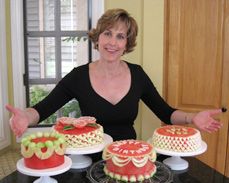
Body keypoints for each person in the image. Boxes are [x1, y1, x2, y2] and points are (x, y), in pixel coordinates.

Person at [6, 8, 222, 140]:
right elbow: (43, 109)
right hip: (87, 159)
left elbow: (166, 113)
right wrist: (25, 116)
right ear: (97, 38)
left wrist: (193, 118)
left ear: (126, 44)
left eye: (120, 36)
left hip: (127, 157)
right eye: (107, 33)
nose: (112, 42)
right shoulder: (78, 76)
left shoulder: (137, 75)